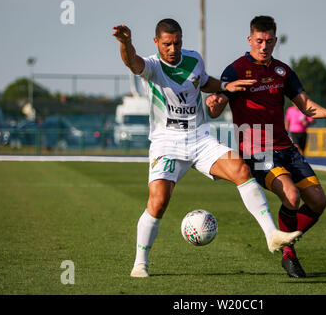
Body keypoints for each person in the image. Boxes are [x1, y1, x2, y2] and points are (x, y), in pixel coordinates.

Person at [113, 19, 303, 278]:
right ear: (156, 43)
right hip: (167, 143)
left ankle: (272, 235)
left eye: (177, 43)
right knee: (158, 203)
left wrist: (225, 88)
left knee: (241, 170)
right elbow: (131, 62)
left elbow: (203, 82)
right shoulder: (152, 67)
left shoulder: (194, 59)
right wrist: (126, 43)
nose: (173, 49)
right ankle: (140, 264)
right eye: (167, 44)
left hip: (199, 138)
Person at [208, 16, 326, 278]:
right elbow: (220, 102)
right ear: (250, 40)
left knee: (318, 201)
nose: (264, 46)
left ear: (275, 40)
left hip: (285, 146)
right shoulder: (235, 69)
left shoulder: (282, 71)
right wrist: (215, 104)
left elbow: (305, 105)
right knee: (291, 196)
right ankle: (289, 254)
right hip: (255, 149)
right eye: (259, 40)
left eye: (269, 41)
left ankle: (286, 240)